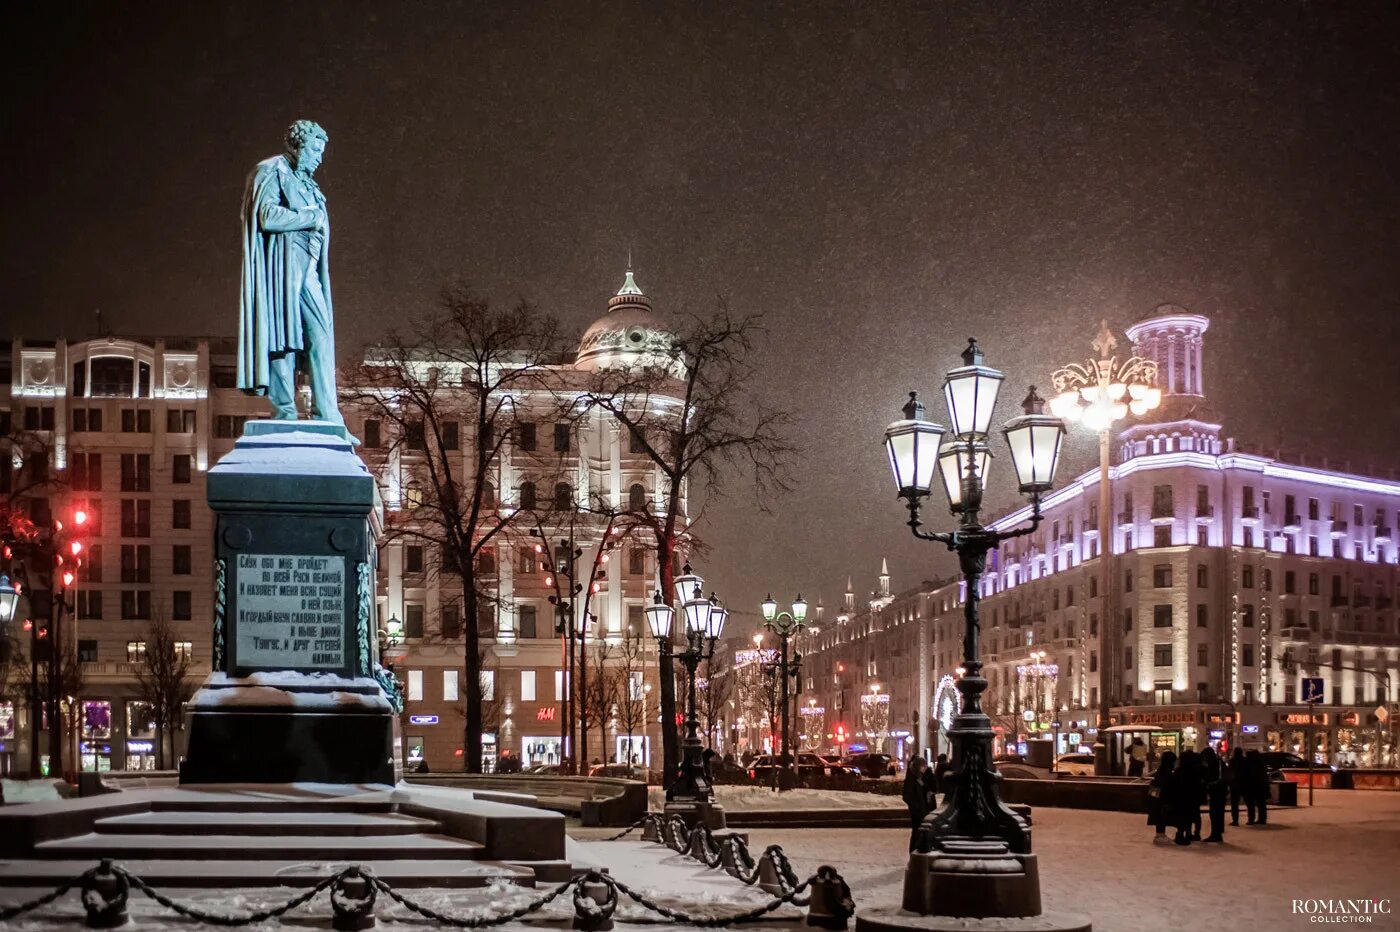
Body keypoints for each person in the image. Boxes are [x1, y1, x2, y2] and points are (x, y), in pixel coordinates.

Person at [238, 119, 347, 427]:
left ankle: (327, 414)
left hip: (308, 267)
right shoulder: (272, 171)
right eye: (315, 149)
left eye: (322, 151)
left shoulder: (309, 184)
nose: (319, 157)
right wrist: (309, 216)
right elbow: (266, 215)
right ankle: (284, 411)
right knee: (281, 338)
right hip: (281, 267)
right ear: (297, 146)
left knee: (321, 337)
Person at [1172, 750, 1202, 845]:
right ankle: (1191, 833)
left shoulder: (1179, 771)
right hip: (1193, 797)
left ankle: (1180, 834)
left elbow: (1176, 784)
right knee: (1193, 815)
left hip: (1181, 797)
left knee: (1182, 815)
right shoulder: (1195, 771)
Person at [1147, 750, 1176, 838]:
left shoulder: (1161, 771)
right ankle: (1160, 835)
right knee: (1161, 816)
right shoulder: (1166, 773)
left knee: (1160, 816)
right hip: (1162, 799)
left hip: (1158, 799)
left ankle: (1160, 834)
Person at [1200, 747, 1227, 842]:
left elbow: (1213, 777)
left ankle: (1216, 834)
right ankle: (1217, 833)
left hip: (1217, 791)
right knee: (1217, 813)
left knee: (1215, 813)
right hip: (1220, 791)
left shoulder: (1214, 764)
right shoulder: (1217, 762)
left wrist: (1206, 782)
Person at [903, 756, 929, 851]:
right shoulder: (912, 778)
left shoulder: (920, 777)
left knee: (919, 831)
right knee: (916, 832)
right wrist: (915, 806)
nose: (925, 768)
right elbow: (907, 795)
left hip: (921, 809)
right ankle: (914, 850)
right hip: (917, 811)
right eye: (923, 766)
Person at [1244, 750, 1269, 825]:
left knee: (1251, 803)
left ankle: (1251, 818)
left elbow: (1248, 775)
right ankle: (1262, 818)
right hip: (1259, 786)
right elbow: (1264, 776)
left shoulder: (1248, 764)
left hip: (1252, 786)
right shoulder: (1260, 764)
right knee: (1261, 803)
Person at [1226, 747, 1247, 825]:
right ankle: (1251, 818)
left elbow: (1230, 771)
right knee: (1248, 801)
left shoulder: (1232, 761)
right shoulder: (1245, 761)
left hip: (1235, 783)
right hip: (1244, 783)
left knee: (1234, 803)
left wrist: (1229, 782)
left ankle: (1235, 820)